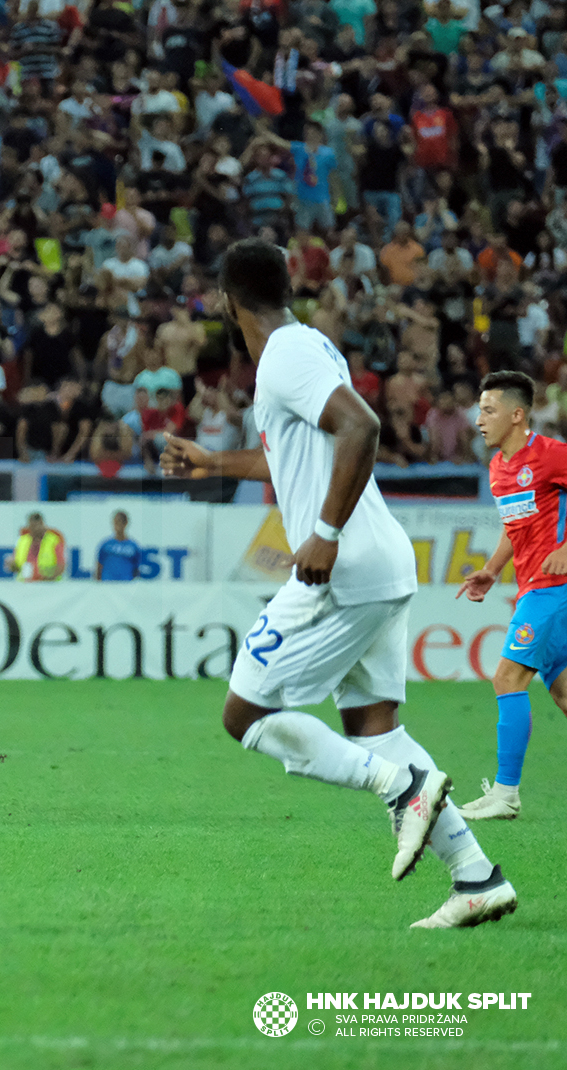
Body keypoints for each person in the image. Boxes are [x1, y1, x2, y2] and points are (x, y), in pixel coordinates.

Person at [162, 238, 514, 929]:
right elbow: (299, 456)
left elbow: (362, 427)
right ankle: (476, 877)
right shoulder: (308, 348)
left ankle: (402, 789)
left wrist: (322, 531)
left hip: (343, 563)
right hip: (381, 564)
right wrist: (212, 464)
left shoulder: (287, 356)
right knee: (374, 726)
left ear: (229, 304)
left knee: (246, 714)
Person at [453, 372, 567, 821]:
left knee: (506, 679)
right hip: (534, 588)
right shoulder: (499, 467)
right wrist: (492, 570)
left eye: (489, 410)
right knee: (563, 694)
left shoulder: (551, 455)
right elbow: (514, 524)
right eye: (479, 410)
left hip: (553, 590)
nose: (479, 419)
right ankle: (504, 792)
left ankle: (506, 793)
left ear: (517, 415)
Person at [13, 511, 64, 581]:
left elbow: (61, 565)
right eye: (33, 526)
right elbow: (17, 565)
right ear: (29, 526)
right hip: (24, 585)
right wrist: (12, 565)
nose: (36, 529)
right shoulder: (22, 541)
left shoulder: (53, 540)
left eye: (38, 526)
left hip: (48, 585)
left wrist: (49, 579)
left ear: (43, 525)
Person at [94, 510, 140, 581]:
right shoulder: (106, 545)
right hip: (107, 584)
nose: (117, 526)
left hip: (126, 585)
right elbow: (99, 566)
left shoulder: (133, 546)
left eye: (120, 522)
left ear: (125, 523)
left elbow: (136, 568)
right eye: (115, 523)